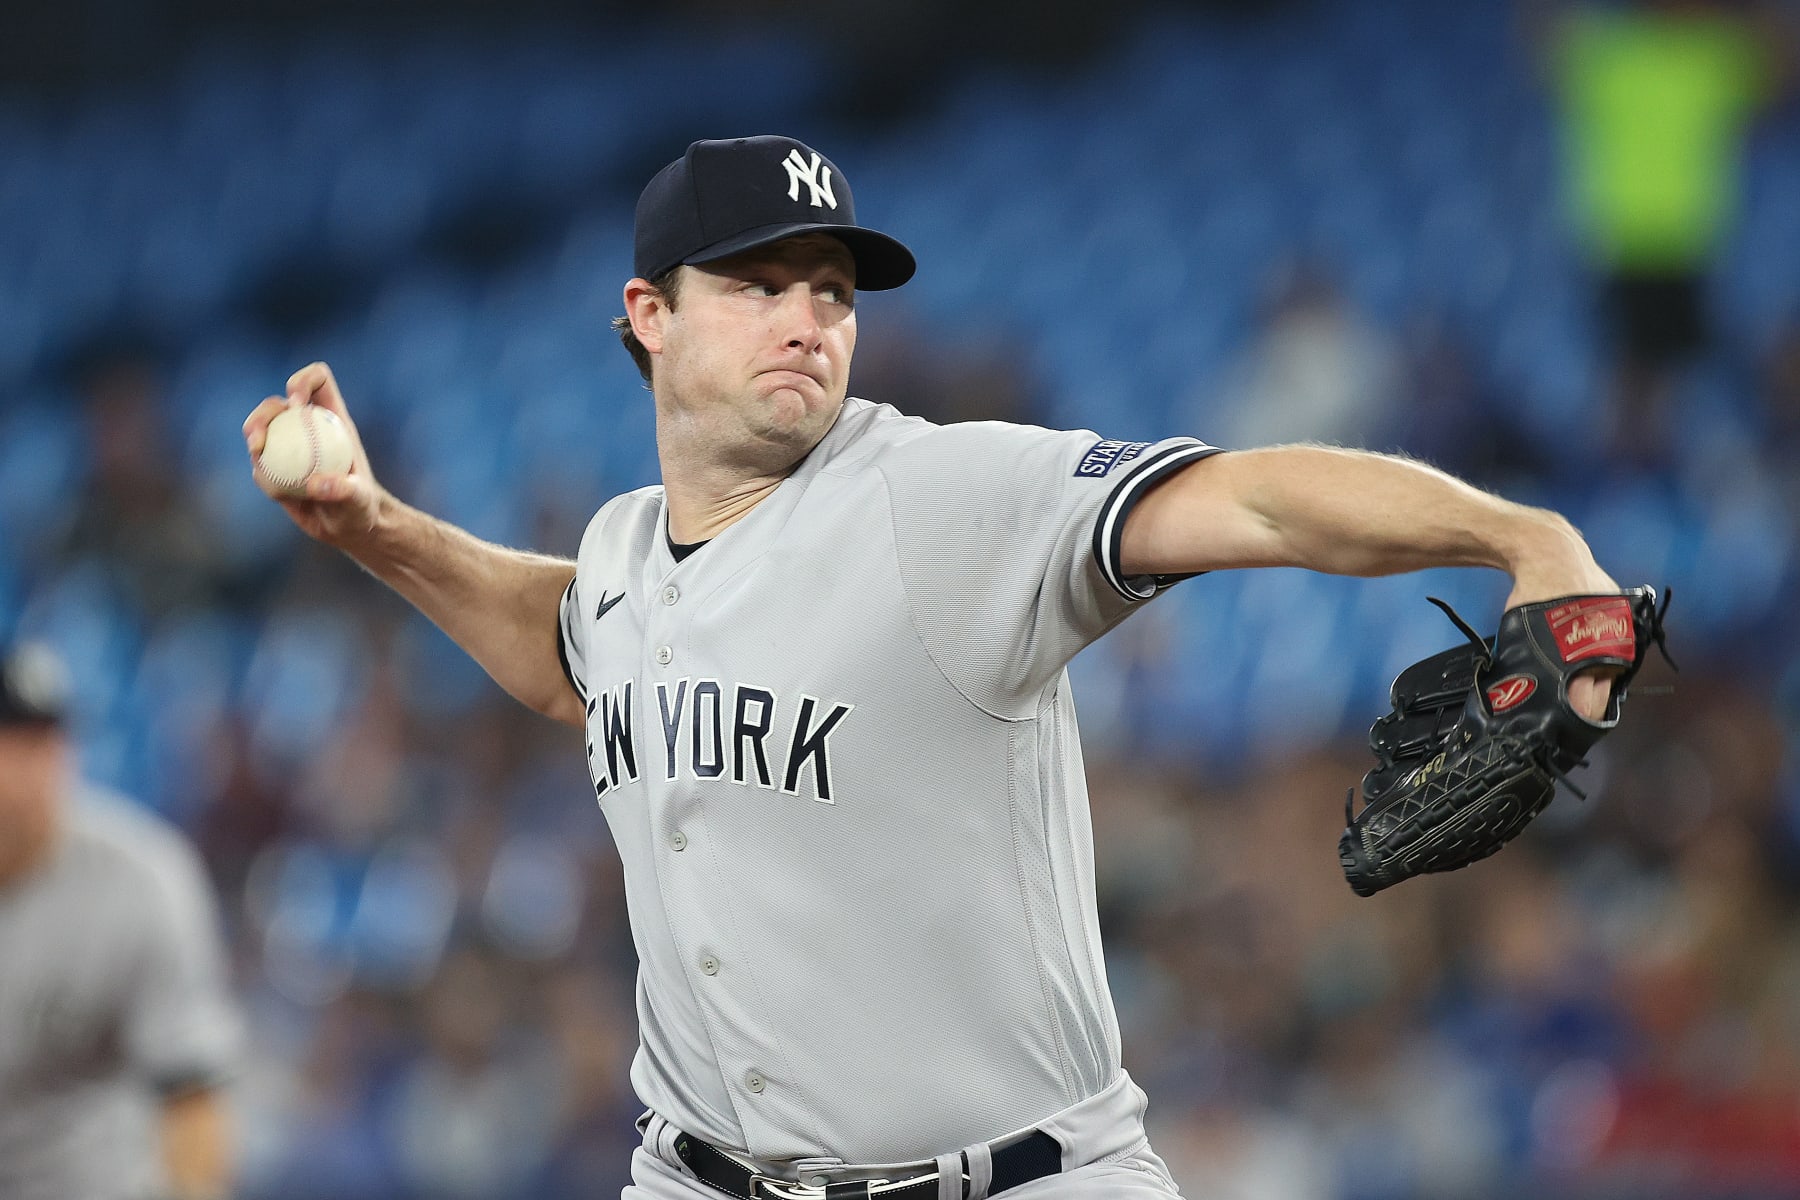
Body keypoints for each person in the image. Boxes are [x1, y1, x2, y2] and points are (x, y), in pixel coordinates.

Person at [244, 134, 1624, 1199]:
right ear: (648, 314)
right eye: (758, 284)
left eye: (831, 291)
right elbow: (570, 649)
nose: (808, 319)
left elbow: (1250, 500)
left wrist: (1515, 532)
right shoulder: (619, 552)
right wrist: (376, 529)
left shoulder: (940, 497)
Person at [0, 640, 242, 1200]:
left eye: (41, 744)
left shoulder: (141, 881)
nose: (22, 770)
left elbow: (193, 1095)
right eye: (8, 744)